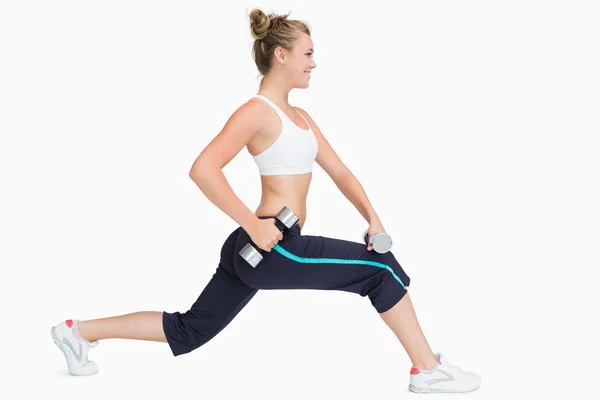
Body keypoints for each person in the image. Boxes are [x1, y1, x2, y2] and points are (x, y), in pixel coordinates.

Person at [50, 8, 481, 394]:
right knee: (380, 271)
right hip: (271, 242)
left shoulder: (302, 118)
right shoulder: (256, 112)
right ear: (281, 56)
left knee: (190, 329)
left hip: (258, 247)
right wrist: (254, 225)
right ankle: (426, 370)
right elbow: (203, 169)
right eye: (308, 54)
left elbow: (342, 173)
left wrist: (374, 220)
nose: (315, 63)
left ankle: (77, 332)